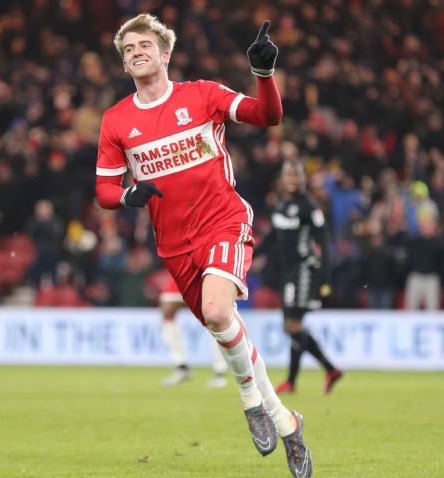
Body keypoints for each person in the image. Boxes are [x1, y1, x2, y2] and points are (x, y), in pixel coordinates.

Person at [95, 14, 313, 477]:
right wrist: (128, 196)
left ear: (165, 53)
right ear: (123, 62)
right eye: (128, 48)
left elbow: (268, 116)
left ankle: (251, 401)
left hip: (223, 221)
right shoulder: (116, 120)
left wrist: (264, 76)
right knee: (224, 324)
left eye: (144, 44)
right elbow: (105, 192)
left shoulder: (202, 95)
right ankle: (287, 422)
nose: (136, 51)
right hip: (174, 244)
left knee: (217, 313)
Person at [255, 160, 343, 396]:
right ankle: (324, 371)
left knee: (293, 324)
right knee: (292, 326)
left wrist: (325, 280)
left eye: (296, 176)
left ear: (304, 179)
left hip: (304, 269)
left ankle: (304, 377)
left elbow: (324, 243)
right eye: (289, 176)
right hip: (288, 271)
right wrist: (250, 255)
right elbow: (273, 238)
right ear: (283, 180)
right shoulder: (282, 205)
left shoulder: (309, 207)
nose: (292, 180)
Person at [158, 273, 228, 388]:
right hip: (181, 269)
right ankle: (181, 367)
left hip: (204, 271)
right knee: (167, 306)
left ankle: (220, 372)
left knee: (213, 319)